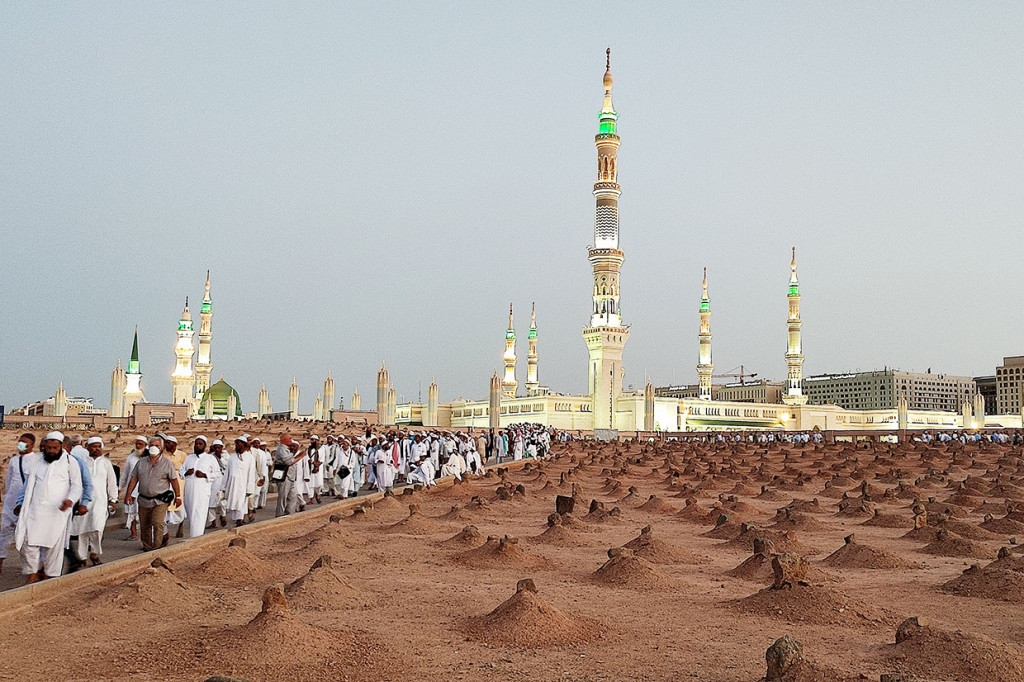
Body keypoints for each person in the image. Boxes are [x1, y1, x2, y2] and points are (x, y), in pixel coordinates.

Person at [14, 431, 82, 583]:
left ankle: (49, 577)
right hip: (34, 510)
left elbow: (77, 486)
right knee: (28, 544)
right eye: (48, 447)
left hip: (56, 512)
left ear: (61, 446)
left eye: (54, 448)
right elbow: (28, 485)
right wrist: (20, 502)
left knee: (53, 548)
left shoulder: (71, 462)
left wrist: (70, 500)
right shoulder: (37, 460)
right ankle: (32, 572)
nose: (51, 451)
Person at [125, 437, 182, 551]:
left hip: (160, 500)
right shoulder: (141, 462)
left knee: (157, 523)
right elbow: (134, 478)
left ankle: (157, 547)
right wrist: (128, 494)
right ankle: (147, 547)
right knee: (145, 525)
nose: (154, 447)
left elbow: (174, 480)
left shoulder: (167, 464)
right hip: (144, 500)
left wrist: (178, 496)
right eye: (151, 445)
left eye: (156, 445)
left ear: (161, 448)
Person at [70, 437, 118, 566]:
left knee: (97, 528)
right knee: (83, 529)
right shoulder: (82, 462)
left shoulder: (106, 463)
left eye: (98, 446)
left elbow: (112, 483)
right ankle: (82, 557)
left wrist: (113, 500)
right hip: (84, 500)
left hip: (101, 501)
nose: (96, 449)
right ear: (87, 447)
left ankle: (94, 553)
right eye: (93, 446)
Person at [0, 433, 37, 572]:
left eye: (24, 442)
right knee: (4, 533)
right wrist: (9, 497)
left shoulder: (36, 460)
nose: (21, 445)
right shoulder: (14, 460)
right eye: (20, 442)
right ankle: (0, 559)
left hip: (26, 504)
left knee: (25, 537)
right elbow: (9, 481)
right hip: (10, 503)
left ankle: (30, 569)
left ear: (32, 445)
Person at [180, 436, 222, 538]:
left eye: (200, 444)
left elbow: (217, 473)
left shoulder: (210, 458)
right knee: (191, 515)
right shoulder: (189, 458)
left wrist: (204, 475)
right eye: (196, 444)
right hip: (189, 491)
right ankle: (193, 537)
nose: (197, 446)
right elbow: (181, 471)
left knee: (199, 515)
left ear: (205, 446)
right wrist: (186, 472)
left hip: (202, 492)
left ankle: (196, 538)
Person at [222, 436, 257, 527]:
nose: (236, 446)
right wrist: (223, 486)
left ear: (244, 445)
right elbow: (227, 472)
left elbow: (251, 473)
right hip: (232, 484)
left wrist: (249, 488)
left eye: (238, 444)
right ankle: (237, 519)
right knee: (234, 502)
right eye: (236, 444)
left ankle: (240, 519)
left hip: (243, 485)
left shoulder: (250, 458)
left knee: (241, 502)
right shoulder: (232, 457)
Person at [160, 435, 187, 540]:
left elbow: (186, 468)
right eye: (165, 443)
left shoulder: (182, 455)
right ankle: (164, 531)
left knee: (179, 506)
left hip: (179, 483)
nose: (166, 445)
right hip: (166, 483)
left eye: (169, 443)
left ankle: (181, 525)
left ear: (175, 444)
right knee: (165, 506)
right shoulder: (163, 455)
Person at [119, 436, 146, 541]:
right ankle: (134, 533)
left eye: (140, 444)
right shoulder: (131, 457)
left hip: (145, 489)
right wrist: (120, 487)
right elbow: (125, 474)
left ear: (145, 445)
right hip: (132, 489)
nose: (138, 446)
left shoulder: (149, 457)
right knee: (132, 512)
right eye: (137, 444)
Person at [273, 434, 306, 517]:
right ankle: (279, 516)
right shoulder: (281, 449)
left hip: (291, 477)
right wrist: (300, 456)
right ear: (284, 440)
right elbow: (288, 462)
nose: (291, 440)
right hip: (284, 477)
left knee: (293, 497)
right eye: (290, 438)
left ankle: (290, 514)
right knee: (282, 498)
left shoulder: (287, 449)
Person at [207, 439, 228, 529]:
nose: (217, 449)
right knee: (211, 502)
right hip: (212, 481)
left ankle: (223, 516)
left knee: (222, 501)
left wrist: (221, 458)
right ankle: (213, 522)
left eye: (219, 448)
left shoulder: (226, 456)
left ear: (222, 448)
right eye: (216, 448)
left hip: (222, 481)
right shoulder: (210, 457)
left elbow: (227, 467)